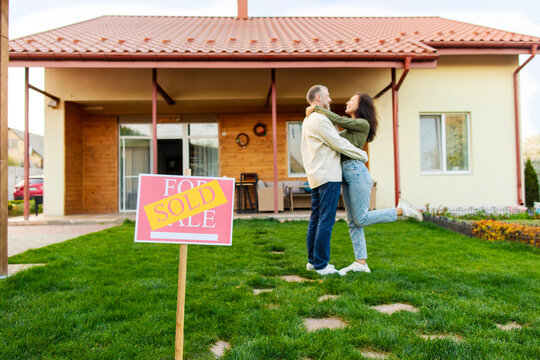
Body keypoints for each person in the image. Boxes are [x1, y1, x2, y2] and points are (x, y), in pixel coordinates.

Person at [306, 92, 422, 276]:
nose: (347, 101)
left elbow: (338, 120)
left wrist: (316, 109)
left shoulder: (362, 124)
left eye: (351, 100)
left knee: (361, 218)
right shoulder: (350, 130)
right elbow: (334, 139)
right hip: (345, 174)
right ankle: (361, 263)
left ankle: (401, 211)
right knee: (353, 222)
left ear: (361, 106)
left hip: (356, 171)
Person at [301, 85, 369, 275]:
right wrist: (361, 155)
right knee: (325, 220)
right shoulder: (320, 119)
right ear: (319, 98)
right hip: (328, 175)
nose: (330, 100)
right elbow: (338, 143)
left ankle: (313, 262)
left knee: (316, 219)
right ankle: (322, 265)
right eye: (328, 96)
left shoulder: (308, 120)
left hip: (316, 174)